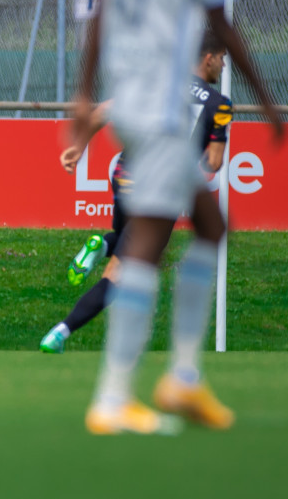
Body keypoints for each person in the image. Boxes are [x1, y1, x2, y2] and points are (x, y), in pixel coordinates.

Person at [67, 0, 283, 435]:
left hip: (132, 91)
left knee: (210, 224)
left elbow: (100, 0)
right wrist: (267, 100)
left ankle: (184, 377)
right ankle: (114, 397)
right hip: (161, 100)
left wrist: (87, 92)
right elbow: (221, 21)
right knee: (148, 241)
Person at [40, 31, 233, 354]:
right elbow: (213, 163)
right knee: (119, 275)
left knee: (125, 236)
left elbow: (103, 110)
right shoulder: (219, 105)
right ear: (208, 57)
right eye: (223, 58)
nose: (225, 66)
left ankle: (100, 244)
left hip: (125, 176)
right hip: (160, 190)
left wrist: (78, 147)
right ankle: (60, 332)